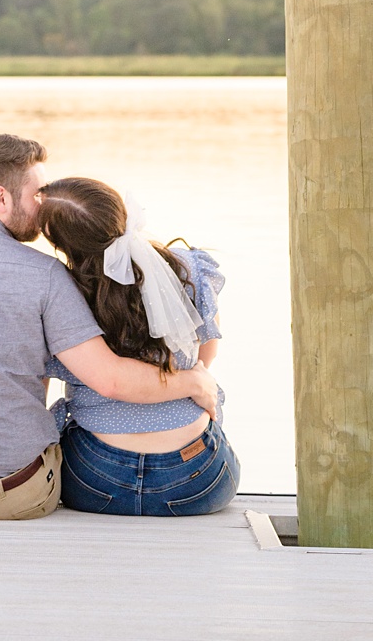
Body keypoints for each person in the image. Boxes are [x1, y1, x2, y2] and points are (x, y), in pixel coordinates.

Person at [0, 134, 218, 521]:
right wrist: (194, 382)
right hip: (21, 495)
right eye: (38, 194)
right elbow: (110, 380)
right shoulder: (47, 276)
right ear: (1, 198)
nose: (44, 207)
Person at [38, 177, 238, 517]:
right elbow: (207, 355)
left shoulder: (61, 294)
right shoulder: (185, 268)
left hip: (94, 480)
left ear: (60, 244)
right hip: (198, 480)